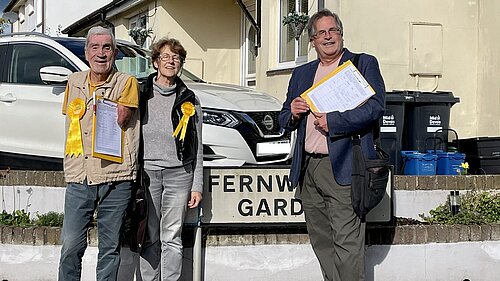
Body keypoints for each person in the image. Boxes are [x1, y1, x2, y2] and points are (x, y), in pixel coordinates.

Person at [279, 9, 386, 281]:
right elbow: (283, 118)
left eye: (332, 31)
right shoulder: (302, 73)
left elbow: (375, 108)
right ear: (312, 41)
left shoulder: (362, 64)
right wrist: (292, 111)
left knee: (347, 244)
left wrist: (335, 122)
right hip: (308, 168)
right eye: (321, 33)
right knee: (322, 242)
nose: (328, 37)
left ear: (341, 34)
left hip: (343, 166)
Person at [58, 26, 140, 280]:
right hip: (79, 176)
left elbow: (121, 117)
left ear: (115, 53)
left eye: (107, 48)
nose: (101, 53)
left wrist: (100, 101)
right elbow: (73, 121)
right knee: (71, 246)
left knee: (109, 249)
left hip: (115, 176)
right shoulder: (74, 82)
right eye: (95, 47)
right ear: (86, 52)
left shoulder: (127, 82)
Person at [139, 37, 203, 281]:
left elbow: (196, 146)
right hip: (148, 174)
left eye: (176, 58)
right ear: (155, 62)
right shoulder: (141, 93)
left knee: (172, 236)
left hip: (180, 175)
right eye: (165, 57)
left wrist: (197, 186)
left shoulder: (190, 99)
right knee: (149, 235)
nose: (171, 61)